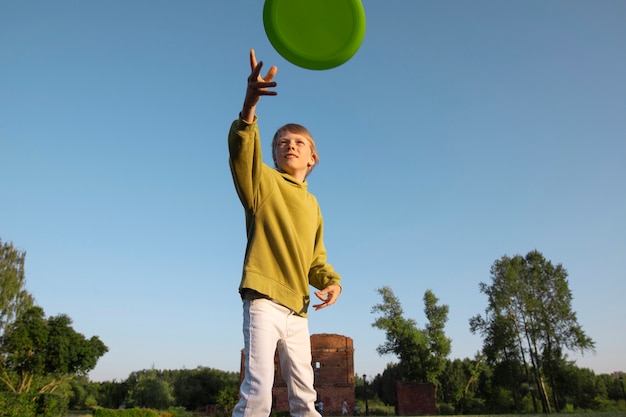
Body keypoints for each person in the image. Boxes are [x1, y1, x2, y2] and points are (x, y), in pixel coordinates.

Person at [229, 49, 342, 417]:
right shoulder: (263, 183)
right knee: (258, 392)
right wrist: (249, 108)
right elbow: (243, 152)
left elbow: (316, 259)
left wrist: (331, 282)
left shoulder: (313, 206)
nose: (290, 145)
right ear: (275, 156)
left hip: (298, 310)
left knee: (305, 398)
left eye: (299, 143)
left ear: (312, 159)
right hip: (263, 298)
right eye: (282, 143)